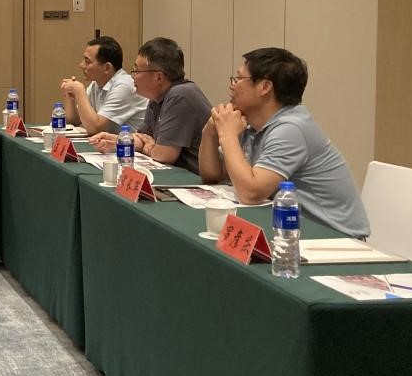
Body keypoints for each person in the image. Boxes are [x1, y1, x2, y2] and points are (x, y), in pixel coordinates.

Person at [198, 48, 369, 237]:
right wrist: (210, 132)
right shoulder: (251, 122)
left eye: (238, 79)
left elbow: (251, 193)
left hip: (335, 238)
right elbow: (213, 176)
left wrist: (228, 135)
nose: (232, 86)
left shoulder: (291, 129)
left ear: (265, 87)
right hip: (292, 231)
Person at [90, 37, 210, 173]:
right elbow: (142, 138)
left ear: (158, 77)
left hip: (199, 178)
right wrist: (118, 141)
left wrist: (150, 147)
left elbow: (164, 155)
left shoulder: (180, 95)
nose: (133, 76)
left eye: (137, 71)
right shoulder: (157, 97)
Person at [59, 35, 148, 134]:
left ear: (107, 68)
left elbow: (94, 128)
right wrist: (70, 98)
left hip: (128, 143)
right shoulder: (96, 84)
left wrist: (79, 90)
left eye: (87, 61)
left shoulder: (125, 86)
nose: (81, 65)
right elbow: (74, 121)